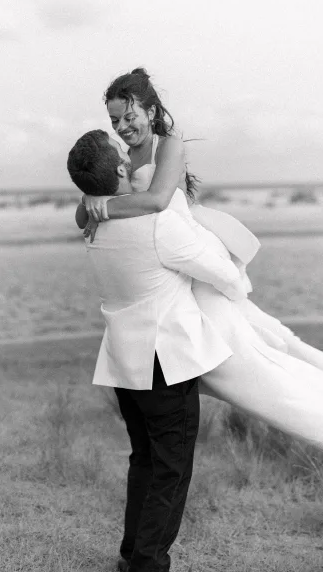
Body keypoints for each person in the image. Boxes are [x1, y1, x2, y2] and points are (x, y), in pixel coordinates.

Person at [76, 68, 323, 387]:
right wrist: (89, 196)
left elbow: (157, 200)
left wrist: (104, 205)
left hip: (187, 246)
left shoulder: (168, 146)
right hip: (165, 260)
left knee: (246, 339)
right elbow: (85, 219)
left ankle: (322, 384)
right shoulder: (123, 155)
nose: (121, 127)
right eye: (114, 121)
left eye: (128, 117)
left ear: (150, 111)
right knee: (230, 337)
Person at [67, 129, 248, 572]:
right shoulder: (156, 223)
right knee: (171, 469)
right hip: (163, 366)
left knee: (145, 461)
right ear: (118, 170)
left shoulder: (93, 226)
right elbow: (222, 273)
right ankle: (147, 563)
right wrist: (236, 284)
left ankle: (132, 553)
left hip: (125, 366)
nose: (129, 161)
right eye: (120, 157)